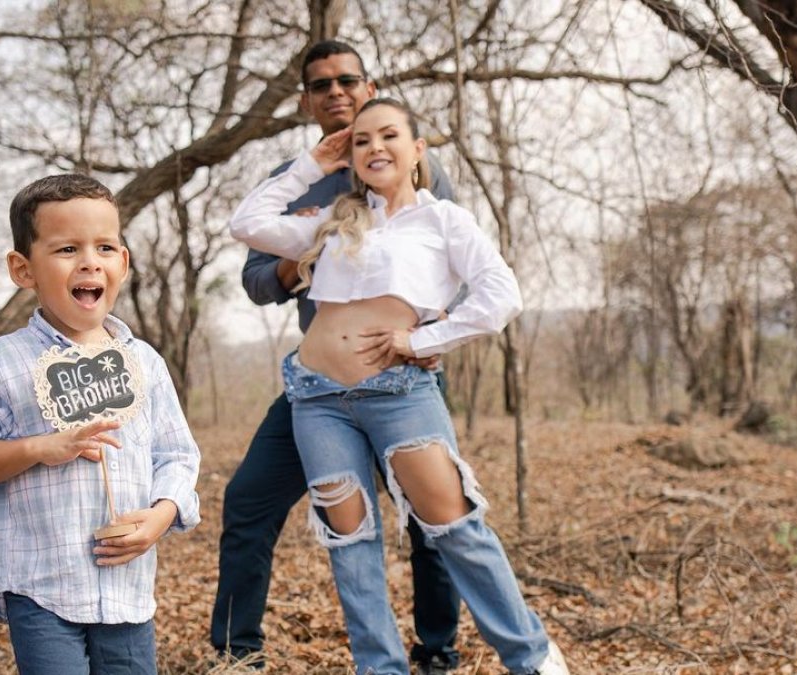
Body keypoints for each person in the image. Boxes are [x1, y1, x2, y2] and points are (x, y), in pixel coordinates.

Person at [229, 98, 568, 675]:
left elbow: (500, 294)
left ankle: (532, 659)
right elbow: (248, 224)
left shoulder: (444, 220)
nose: (374, 148)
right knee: (351, 541)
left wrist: (426, 339)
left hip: (398, 392)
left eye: (389, 136)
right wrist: (313, 163)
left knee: (455, 528)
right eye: (361, 141)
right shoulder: (333, 219)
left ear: (418, 150)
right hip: (315, 399)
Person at [212, 40, 463, 673]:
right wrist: (301, 264)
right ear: (306, 101)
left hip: (403, 376)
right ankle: (237, 654)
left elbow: (461, 268)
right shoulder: (289, 182)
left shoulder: (414, 164)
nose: (336, 92)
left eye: (347, 80)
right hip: (318, 387)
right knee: (248, 501)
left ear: (369, 86)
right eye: (321, 85)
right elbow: (256, 279)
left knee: (432, 518)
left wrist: (426, 340)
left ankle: (437, 652)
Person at [0, 174, 201, 675]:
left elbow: (177, 455)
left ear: (122, 263)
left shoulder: (143, 361)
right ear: (23, 269)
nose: (89, 261)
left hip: (126, 586)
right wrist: (39, 447)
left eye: (105, 246)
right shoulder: (3, 362)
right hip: (41, 584)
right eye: (66, 249)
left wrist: (163, 515)